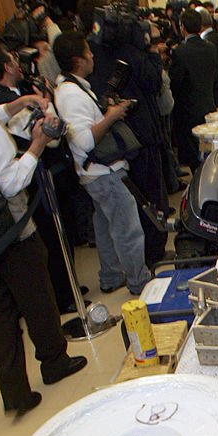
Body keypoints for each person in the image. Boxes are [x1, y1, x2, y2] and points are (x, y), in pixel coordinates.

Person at [0, 92, 87, 415]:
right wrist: (37, 144)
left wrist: (15, 105)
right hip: (12, 231)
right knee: (37, 299)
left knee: (1, 317)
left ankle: (15, 392)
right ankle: (54, 361)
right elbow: (9, 184)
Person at [53, 30, 151, 296]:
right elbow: (84, 140)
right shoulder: (71, 94)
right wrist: (112, 115)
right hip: (102, 172)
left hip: (95, 174)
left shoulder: (72, 88)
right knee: (126, 228)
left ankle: (110, 276)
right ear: (77, 60)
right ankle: (139, 281)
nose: (93, 55)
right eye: (88, 52)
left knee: (106, 227)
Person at [169, 8, 218, 170]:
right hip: (209, 106)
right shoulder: (210, 47)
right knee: (210, 157)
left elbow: (175, 84)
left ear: (182, 27)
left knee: (194, 159)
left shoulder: (180, 52)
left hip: (188, 113)